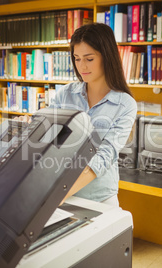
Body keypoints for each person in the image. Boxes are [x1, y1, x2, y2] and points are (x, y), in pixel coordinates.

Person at [19, 23, 137, 206]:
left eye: (89, 59)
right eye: (77, 58)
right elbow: (48, 136)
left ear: (107, 57)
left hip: (99, 199)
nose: (82, 66)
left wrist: (58, 196)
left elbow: (104, 156)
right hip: (60, 192)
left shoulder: (125, 105)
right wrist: (29, 129)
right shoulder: (65, 94)